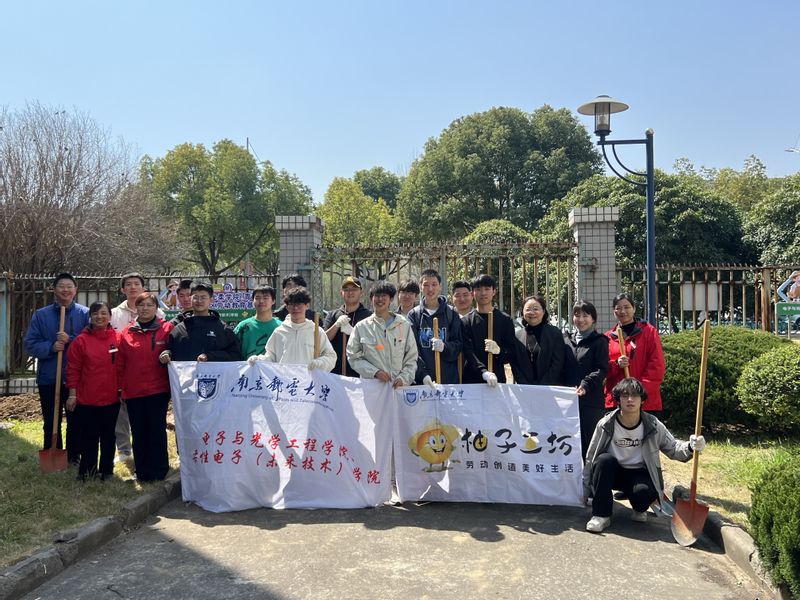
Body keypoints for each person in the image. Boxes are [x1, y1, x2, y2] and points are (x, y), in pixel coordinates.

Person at [583, 378, 706, 533]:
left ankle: (639, 508)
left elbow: (673, 448)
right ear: (618, 400)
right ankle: (601, 515)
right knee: (602, 461)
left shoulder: (653, 425)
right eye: (625, 395)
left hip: (639, 474)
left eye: (635, 395)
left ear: (642, 400)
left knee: (643, 493)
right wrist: (585, 488)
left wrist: (691, 446)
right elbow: (591, 457)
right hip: (612, 472)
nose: (630, 399)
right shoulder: (605, 424)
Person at [24, 272, 90, 465]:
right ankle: (53, 454)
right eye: (61, 286)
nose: (65, 290)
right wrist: (51, 347)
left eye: (69, 286)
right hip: (49, 377)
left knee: (76, 420)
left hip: (76, 379)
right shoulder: (41, 315)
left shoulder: (85, 314)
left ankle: (73, 456)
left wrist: (71, 340)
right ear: (54, 289)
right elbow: (30, 343)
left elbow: (91, 342)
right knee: (50, 420)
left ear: (75, 290)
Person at [117, 292, 173, 482]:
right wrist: (120, 387)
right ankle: (142, 471)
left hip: (158, 389)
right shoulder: (127, 332)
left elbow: (175, 351)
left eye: (149, 305)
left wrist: (169, 353)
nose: (145, 308)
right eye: (141, 305)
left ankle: (159, 470)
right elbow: (120, 363)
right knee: (139, 431)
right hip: (133, 390)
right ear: (136, 308)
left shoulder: (167, 329)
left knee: (156, 430)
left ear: (156, 308)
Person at [111, 272, 165, 463]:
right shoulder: (115, 314)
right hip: (122, 368)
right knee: (122, 413)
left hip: (151, 377)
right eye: (128, 284)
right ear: (122, 289)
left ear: (143, 288)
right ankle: (124, 450)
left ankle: (154, 459)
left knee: (148, 421)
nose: (133, 287)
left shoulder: (159, 315)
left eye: (136, 284)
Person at [65, 301, 121, 481]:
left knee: (108, 436)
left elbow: (123, 367)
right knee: (89, 436)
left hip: (111, 397)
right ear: (90, 317)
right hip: (87, 398)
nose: (99, 317)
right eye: (95, 313)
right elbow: (73, 369)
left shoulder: (118, 338)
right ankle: (87, 470)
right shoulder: (81, 341)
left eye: (104, 313)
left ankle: (107, 470)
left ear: (110, 316)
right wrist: (72, 394)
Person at [604, 293, 665, 417]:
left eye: (627, 307)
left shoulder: (648, 332)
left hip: (645, 402)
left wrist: (638, 392)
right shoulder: (607, 338)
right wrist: (616, 365)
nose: (623, 311)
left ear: (634, 309)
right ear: (614, 311)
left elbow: (656, 365)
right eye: (618, 308)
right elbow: (603, 368)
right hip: (616, 401)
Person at [347, 281, 418, 388]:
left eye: (384, 296)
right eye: (377, 296)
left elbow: (411, 358)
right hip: (371, 388)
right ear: (371, 299)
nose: (380, 299)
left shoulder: (403, 324)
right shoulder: (361, 327)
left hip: (398, 388)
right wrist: (375, 372)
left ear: (391, 299)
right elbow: (353, 356)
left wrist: (403, 378)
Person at [563, 300, 609, 458]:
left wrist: (585, 385)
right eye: (577, 315)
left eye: (585, 315)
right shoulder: (566, 340)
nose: (580, 319)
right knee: (568, 443)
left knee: (589, 445)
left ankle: (589, 473)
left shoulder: (600, 341)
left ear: (593, 319)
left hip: (591, 402)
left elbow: (601, 369)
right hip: (567, 401)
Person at [461, 274, 523, 387]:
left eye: (487, 289)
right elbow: (468, 351)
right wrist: (483, 371)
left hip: (497, 379)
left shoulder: (505, 320)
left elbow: (511, 352)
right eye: (478, 289)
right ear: (472, 293)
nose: (483, 293)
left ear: (494, 291)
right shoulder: (466, 321)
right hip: (472, 380)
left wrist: (499, 351)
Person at [254, 287, 336, 370]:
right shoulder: (279, 332)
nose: (295, 308)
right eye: (292, 304)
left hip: (309, 377)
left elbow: (331, 356)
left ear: (307, 306)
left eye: (299, 304)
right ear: (287, 307)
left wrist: (320, 363)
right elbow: (270, 357)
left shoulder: (316, 331)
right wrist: (259, 360)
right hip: (284, 377)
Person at [407, 269, 463, 386]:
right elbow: (412, 349)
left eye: (434, 284)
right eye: (426, 285)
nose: (430, 289)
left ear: (440, 286)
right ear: (421, 287)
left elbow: (458, 344)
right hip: (422, 382)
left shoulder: (451, 313)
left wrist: (444, 347)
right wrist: (423, 374)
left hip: (448, 382)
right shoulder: (414, 315)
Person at [162, 282, 241, 363]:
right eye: (195, 297)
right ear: (191, 299)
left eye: (203, 297)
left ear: (211, 300)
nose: (199, 301)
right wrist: (167, 354)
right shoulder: (179, 330)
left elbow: (235, 355)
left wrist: (210, 356)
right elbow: (170, 350)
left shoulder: (222, 329)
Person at [323, 276, 372, 376]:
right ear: (341, 293)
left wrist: (354, 332)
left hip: (360, 373)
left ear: (361, 292)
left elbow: (373, 344)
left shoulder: (368, 316)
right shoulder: (332, 315)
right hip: (335, 373)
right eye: (346, 289)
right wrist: (336, 325)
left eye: (354, 289)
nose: (350, 293)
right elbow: (324, 339)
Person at [512, 294, 565, 385]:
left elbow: (558, 363)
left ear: (543, 311)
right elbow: (515, 364)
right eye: (528, 309)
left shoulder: (554, 333)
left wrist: (542, 386)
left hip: (549, 387)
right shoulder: (517, 336)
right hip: (525, 387)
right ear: (522, 313)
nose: (532, 312)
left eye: (535, 309)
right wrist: (525, 384)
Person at [233, 285, 281, 359]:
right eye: (257, 298)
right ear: (253, 300)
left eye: (265, 298)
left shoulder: (281, 327)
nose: (261, 301)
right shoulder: (243, 326)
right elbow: (232, 351)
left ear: (273, 301)